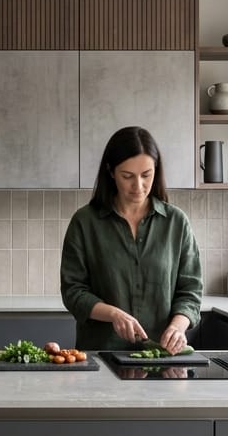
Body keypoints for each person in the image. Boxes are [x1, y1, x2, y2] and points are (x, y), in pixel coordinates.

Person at [60, 126, 203, 353]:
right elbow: (73, 291)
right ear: (110, 172)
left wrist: (178, 327)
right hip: (101, 354)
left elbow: (190, 292)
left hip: (161, 359)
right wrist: (113, 314)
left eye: (146, 175)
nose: (138, 186)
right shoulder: (85, 222)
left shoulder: (176, 223)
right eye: (127, 176)